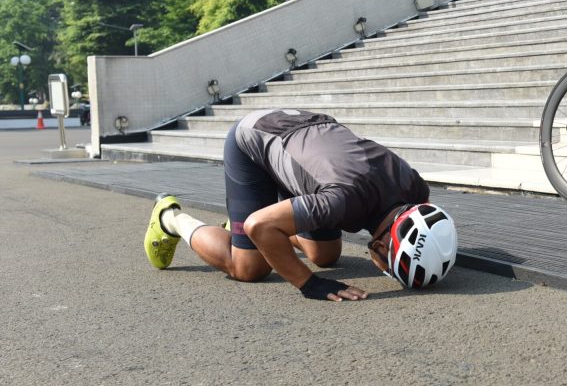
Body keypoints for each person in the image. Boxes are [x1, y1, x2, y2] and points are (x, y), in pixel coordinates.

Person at [143, 108, 457, 300]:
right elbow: (258, 225)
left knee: (324, 254)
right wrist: (308, 284)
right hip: (254, 140)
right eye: (392, 264)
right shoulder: (340, 201)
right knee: (249, 267)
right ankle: (170, 217)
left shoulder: (415, 189)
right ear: (382, 245)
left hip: (308, 137)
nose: (386, 269)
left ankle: (266, 224)